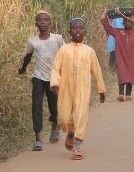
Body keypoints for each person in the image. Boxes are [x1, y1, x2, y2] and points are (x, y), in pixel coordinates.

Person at [50, 18, 105, 161]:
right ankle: (70, 132)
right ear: (70, 31)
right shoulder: (63, 50)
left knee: (80, 116)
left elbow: (96, 70)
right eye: (75, 28)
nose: (78, 30)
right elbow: (56, 68)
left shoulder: (89, 51)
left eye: (81, 28)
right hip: (65, 90)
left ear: (85, 31)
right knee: (63, 118)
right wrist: (55, 83)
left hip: (83, 90)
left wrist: (101, 89)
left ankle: (77, 147)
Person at [18, 10, 65, 151]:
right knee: (36, 106)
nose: (42, 22)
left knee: (54, 106)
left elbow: (66, 54)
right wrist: (23, 68)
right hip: (38, 77)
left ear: (50, 22)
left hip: (54, 78)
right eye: (40, 20)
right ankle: (37, 138)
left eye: (45, 20)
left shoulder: (57, 38)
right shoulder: (33, 41)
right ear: (36, 23)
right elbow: (28, 56)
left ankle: (55, 125)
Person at [101, 7, 134, 102]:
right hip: (121, 58)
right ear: (123, 23)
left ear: (132, 23)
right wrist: (104, 15)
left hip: (133, 58)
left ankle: (128, 95)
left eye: (129, 22)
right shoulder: (118, 31)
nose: (127, 23)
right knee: (122, 74)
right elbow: (107, 27)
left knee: (131, 75)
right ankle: (120, 94)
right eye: (125, 21)